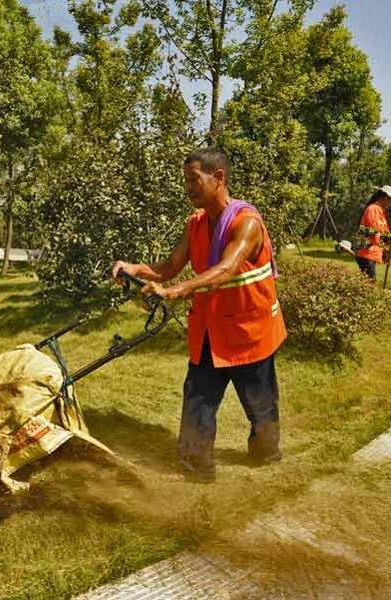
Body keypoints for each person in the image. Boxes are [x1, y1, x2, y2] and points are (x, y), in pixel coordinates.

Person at [111, 148, 287, 483]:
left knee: (260, 405)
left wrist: (178, 291)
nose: (188, 188)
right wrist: (136, 268)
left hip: (250, 333)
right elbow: (170, 267)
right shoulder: (196, 224)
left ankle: (266, 455)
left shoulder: (246, 223)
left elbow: (226, 268)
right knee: (198, 398)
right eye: (185, 181)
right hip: (210, 333)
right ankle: (195, 468)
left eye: (194, 180)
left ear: (218, 177)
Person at [354, 185, 391, 280]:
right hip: (366, 252)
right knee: (370, 282)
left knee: (368, 281)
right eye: (390, 200)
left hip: (372, 253)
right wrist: (386, 240)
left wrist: (386, 253)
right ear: (384, 197)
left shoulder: (381, 212)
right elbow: (374, 231)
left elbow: (384, 233)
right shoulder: (373, 209)